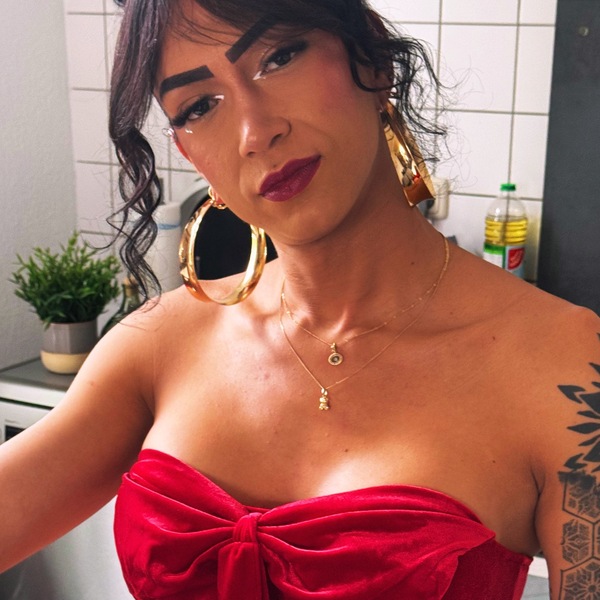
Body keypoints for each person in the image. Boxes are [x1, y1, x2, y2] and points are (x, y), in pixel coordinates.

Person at [1, 0, 599, 598]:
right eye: (199, 107)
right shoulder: (156, 343)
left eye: (279, 57)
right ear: (188, 152)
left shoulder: (567, 366)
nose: (255, 132)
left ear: (370, 56)